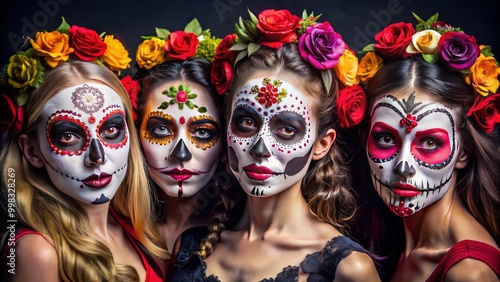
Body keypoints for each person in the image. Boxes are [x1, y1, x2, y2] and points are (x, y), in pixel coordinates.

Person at [169, 9, 380, 281]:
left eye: (287, 129)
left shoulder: (347, 268)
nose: (259, 148)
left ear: (321, 144)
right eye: (246, 123)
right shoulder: (190, 247)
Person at [0, 19, 168, 282]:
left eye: (110, 131)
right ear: (32, 151)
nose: (97, 157)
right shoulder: (38, 253)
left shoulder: (133, 228)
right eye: (69, 136)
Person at [357, 12, 500, 281]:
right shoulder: (386, 242)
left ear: (464, 151)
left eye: (430, 142)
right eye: (386, 138)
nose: (403, 166)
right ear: (365, 138)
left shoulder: (469, 274)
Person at [133, 20, 234, 253]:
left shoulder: (242, 237)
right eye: (160, 130)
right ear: (136, 130)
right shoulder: (111, 229)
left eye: (202, 132)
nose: (181, 154)